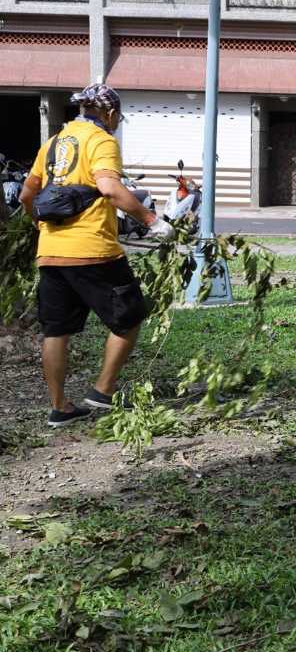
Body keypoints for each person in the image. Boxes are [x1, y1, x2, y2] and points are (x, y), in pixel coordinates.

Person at [18, 83, 173, 428]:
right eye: (119, 116)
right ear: (111, 113)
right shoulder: (101, 140)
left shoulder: (55, 142)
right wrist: (151, 221)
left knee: (56, 331)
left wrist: (39, 227)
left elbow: (27, 194)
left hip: (51, 253)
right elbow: (109, 187)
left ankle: (60, 407)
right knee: (130, 316)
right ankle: (102, 391)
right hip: (94, 252)